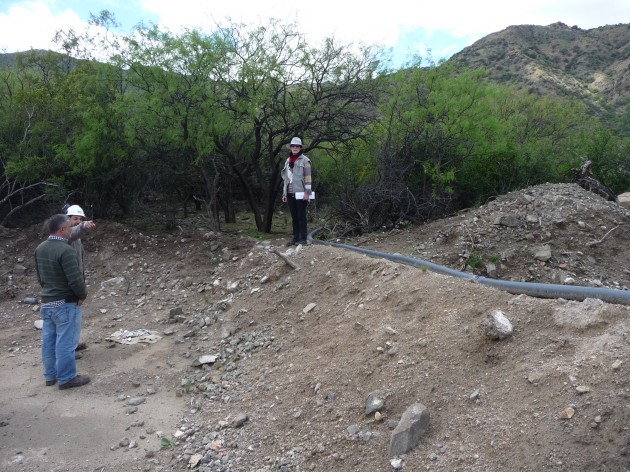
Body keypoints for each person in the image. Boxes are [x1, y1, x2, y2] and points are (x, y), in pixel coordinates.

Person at [34, 214, 90, 390]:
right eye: (69, 226)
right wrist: (82, 295)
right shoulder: (66, 250)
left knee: (48, 341)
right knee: (65, 343)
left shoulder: (40, 248)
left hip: (47, 302)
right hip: (65, 302)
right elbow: (75, 279)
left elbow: (40, 277)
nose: (71, 229)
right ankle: (66, 378)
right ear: (62, 230)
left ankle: (50, 376)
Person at [64, 205, 96, 357]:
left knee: (76, 316)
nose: (77, 221)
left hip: (76, 281)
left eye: (80, 219)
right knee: (69, 318)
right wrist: (84, 225)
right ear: (67, 219)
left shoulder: (76, 238)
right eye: (75, 218)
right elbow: (73, 233)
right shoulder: (66, 234)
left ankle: (74, 344)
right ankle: (68, 350)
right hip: (69, 284)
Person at [281, 137, 313, 246]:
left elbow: (308, 178)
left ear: (300, 148)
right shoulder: (287, 161)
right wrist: (284, 194)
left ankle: (303, 238)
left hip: (301, 193)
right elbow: (285, 179)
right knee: (294, 216)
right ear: (290, 147)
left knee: (301, 216)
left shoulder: (305, 160)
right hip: (289, 192)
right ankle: (295, 237)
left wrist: (307, 193)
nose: (295, 148)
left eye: (297, 146)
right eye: (293, 146)